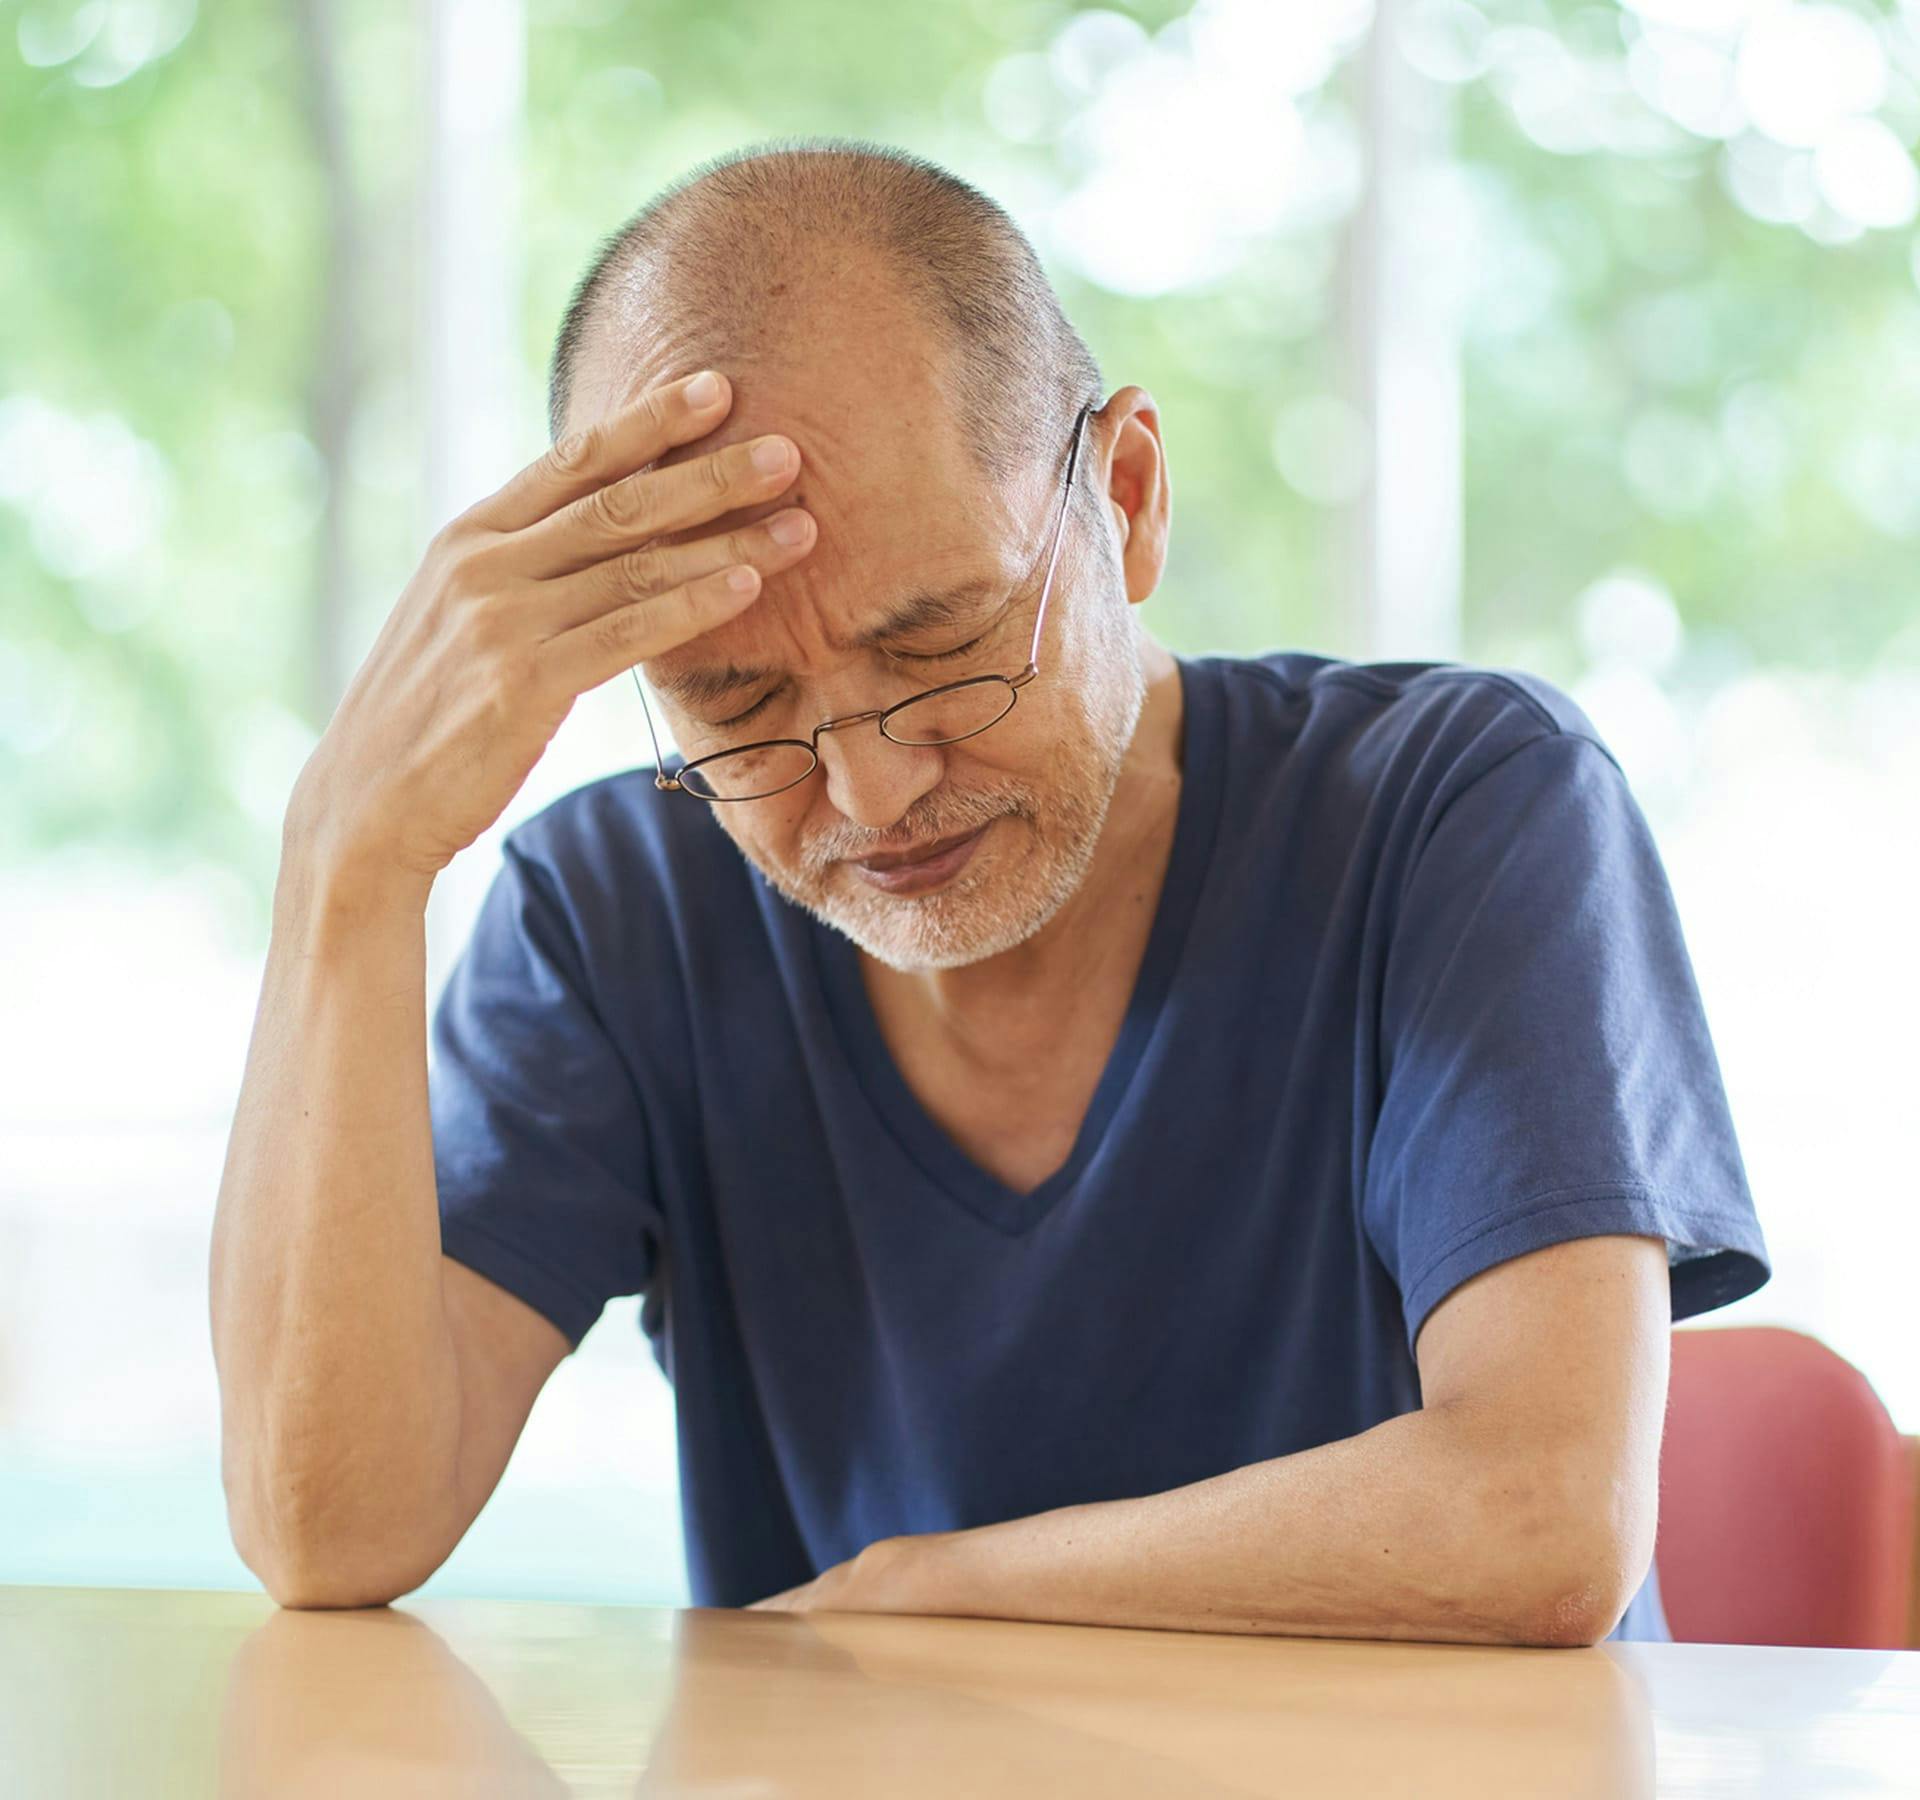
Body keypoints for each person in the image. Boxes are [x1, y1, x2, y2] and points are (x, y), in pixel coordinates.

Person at [210, 139, 1771, 1646]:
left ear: (1131, 496)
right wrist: (348, 856)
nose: (867, 794)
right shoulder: (616, 910)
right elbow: (330, 1529)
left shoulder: (1461, 807)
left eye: (944, 644)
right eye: (737, 704)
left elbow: (1539, 1516)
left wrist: (913, 1591)